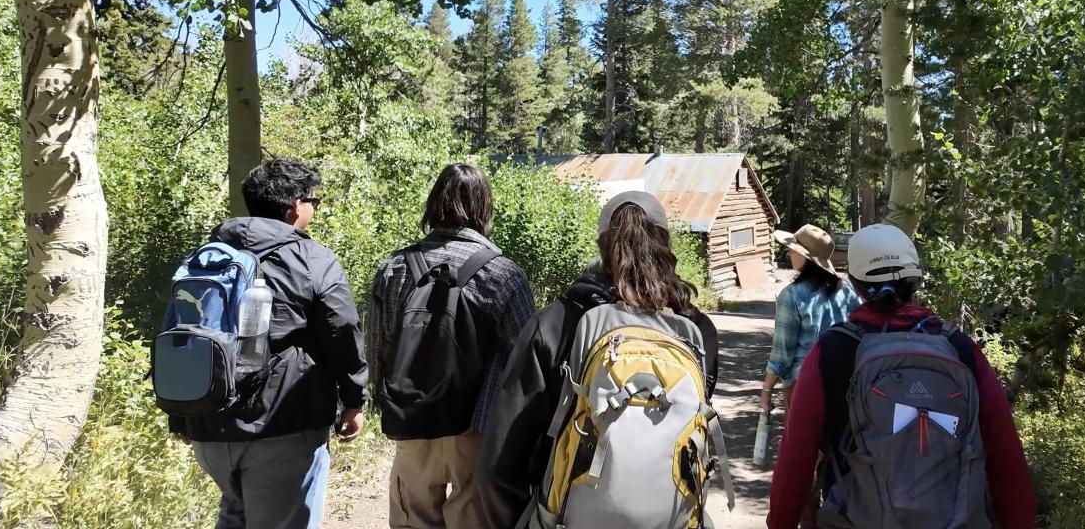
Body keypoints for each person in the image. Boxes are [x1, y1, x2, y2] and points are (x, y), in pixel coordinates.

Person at [766, 223, 1037, 529]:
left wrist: (780, 522)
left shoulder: (832, 351)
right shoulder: (958, 347)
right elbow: (1006, 458)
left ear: (854, 282)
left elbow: (796, 459)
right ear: (914, 280)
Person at [478, 190, 721, 528]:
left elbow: (499, 464)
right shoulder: (696, 332)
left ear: (602, 246)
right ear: (665, 245)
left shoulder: (556, 324)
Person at [175, 158, 367, 529]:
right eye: (314, 201)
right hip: (282, 425)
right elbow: (342, 332)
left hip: (208, 423)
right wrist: (354, 400)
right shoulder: (312, 259)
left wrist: (181, 411)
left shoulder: (207, 257)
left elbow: (183, 328)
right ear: (296, 206)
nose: (313, 209)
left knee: (236, 514)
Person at [366, 163, 535, 529]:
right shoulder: (503, 273)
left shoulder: (395, 266)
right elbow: (524, 358)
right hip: (475, 425)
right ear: (484, 207)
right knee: (471, 519)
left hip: (412, 417)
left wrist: (386, 400)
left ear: (433, 204)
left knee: (414, 518)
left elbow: (377, 344)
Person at [762, 224, 860, 416]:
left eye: (793, 249)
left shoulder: (791, 295)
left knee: (802, 443)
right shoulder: (847, 290)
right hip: (846, 382)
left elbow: (783, 351)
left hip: (804, 385)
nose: (789, 253)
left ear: (806, 258)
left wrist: (767, 389)